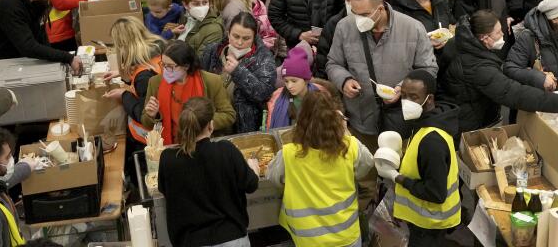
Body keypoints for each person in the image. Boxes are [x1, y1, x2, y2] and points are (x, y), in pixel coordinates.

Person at [325, 0, 437, 139]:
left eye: (364, 14)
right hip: (361, 118)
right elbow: (333, 63)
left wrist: (402, 88)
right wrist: (344, 81)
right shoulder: (344, 27)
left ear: (380, 8)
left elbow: (428, 69)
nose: (358, 20)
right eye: (355, 13)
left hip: (401, 119)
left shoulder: (413, 28)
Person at [268, 90, 373, 247]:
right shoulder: (350, 145)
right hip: (346, 234)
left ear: (301, 120)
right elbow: (366, 166)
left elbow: (274, 178)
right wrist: (345, 131)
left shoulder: (289, 153)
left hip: (307, 238)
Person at [158, 97, 259, 247]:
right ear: (211, 125)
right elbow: (251, 185)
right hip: (231, 237)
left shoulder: (168, 158)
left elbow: (164, 189)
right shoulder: (226, 150)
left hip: (190, 241)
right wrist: (254, 169)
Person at [377, 69, 462, 245]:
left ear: (429, 99)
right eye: (404, 96)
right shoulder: (427, 122)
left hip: (429, 223)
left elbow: (435, 193)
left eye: (414, 97)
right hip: (425, 220)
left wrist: (397, 177)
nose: (406, 102)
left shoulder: (432, 141)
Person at [143, 40, 235, 145]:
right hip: (170, 147)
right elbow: (146, 122)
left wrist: (202, 121)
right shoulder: (155, 82)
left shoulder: (212, 81)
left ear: (186, 66)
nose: (165, 70)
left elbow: (229, 115)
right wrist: (151, 115)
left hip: (201, 146)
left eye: (170, 66)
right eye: (163, 64)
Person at [201, 12, 277, 133]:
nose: (239, 42)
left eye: (246, 38)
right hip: (211, 121)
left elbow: (264, 93)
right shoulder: (212, 51)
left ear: (254, 37)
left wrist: (238, 71)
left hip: (241, 126)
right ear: (228, 33)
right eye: (235, 36)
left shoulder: (264, 58)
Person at [0, 0, 82, 71]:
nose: (45, 2)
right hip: (10, 63)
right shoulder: (9, 7)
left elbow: (40, 32)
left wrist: (53, 61)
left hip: (28, 59)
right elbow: (27, 46)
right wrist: (67, 58)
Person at [104, 17, 163, 147]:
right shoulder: (157, 52)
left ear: (123, 45)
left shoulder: (143, 78)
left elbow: (143, 114)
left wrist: (124, 95)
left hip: (147, 141)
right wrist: (124, 73)